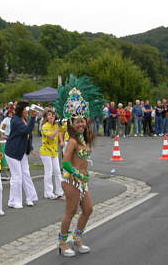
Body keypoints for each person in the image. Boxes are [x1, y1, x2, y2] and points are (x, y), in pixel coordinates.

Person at [53, 76, 103, 257]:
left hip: (82, 181)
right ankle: (62, 243)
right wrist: (77, 174)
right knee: (71, 211)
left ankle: (77, 238)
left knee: (88, 210)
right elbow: (65, 162)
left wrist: (84, 175)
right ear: (71, 124)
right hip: (71, 180)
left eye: (82, 120)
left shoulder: (83, 139)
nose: (81, 124)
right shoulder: (72, 141)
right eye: (77, 121)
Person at [4, 101, 38, 208]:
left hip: (21, 151)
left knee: (26, 174)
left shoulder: (24, 119)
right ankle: (14, 202)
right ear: (20, 110)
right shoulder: (15, 120)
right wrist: (33, 118)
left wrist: (30, 148)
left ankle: (30, 198)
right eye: (25, 110)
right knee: (17, 176)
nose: (27, 112)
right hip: (12, 152)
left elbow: (29, 136)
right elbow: (27, 130)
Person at [39, 108, 64, 199]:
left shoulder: (55, 125)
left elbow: (63, 131)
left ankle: (59, 191)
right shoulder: (45, 126)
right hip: (45, 152)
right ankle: (48, 193)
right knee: (49, 172)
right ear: (46, 117)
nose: (51, 116)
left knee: (57, 171)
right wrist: (58, 128)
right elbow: (51, 136)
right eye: (49, 115)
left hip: (54, 152)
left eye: (52, 114)